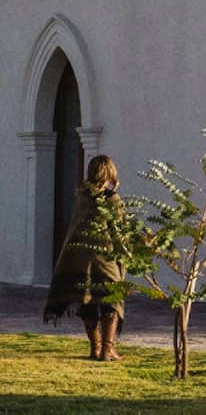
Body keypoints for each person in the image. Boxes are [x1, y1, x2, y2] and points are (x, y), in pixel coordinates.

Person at [43, 154, 129, 361]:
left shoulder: (81, 197)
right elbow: (118, 232)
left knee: (88, 301)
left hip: (78, 259)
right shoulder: (111, 199)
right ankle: (107, 350)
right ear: (109, 173)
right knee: (111, 301)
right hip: (104, 260)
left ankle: (95, 348)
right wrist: (125, 255)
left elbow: (75, 228)